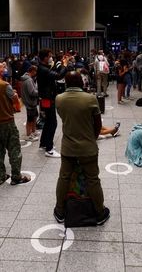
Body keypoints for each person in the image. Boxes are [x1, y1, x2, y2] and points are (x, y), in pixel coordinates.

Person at [53, 72, 110, 226]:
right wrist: (92, 138)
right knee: (93, 179)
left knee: (64, 177)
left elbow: (64, 118)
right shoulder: (90, 99)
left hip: (68, 147)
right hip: (88, 148)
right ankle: (99, 212)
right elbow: (97, 124)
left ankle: (60, 211)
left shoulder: (59, 99)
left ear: (66, 83)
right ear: (81, 82)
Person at [0, 60, 31, 185]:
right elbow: (16, 103)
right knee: (14, 148)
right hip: (7, 120)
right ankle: (16, 177)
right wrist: (16, 97)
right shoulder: (4, 85)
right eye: (2, 67)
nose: (5, 68)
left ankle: (0, 176)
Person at [37, 48, 68, 158]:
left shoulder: (43, 67)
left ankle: (44, 143)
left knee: (48, 121)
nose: (51, 58)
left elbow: (53, 72)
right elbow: (59, 76)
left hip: (46, 97)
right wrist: (64, 65)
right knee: (52, 122)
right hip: (48, 98)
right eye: (50, 56)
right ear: (45, 57)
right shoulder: (43, 69)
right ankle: (49, 149)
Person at [20, 65, 40, 141]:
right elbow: (32, 92)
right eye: (36, 72)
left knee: (34, 116)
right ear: (33, 71)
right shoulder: (28, 80)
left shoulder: (27, 79)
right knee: (30, 119)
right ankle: (28, 135)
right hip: (30, 102)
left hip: (31, 102)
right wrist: (40, 91)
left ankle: (33, 131)